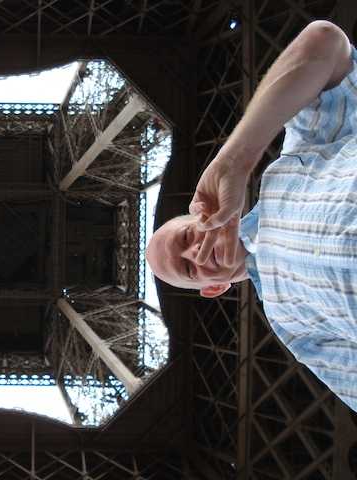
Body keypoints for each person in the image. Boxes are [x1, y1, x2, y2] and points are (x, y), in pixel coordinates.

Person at [146, 19, 357, 412]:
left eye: (186, 238)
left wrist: (234, 160)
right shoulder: (292, 327)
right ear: (213, 289)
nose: (195, 254)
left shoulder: (289, 164)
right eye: (188, 270)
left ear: (201, 213)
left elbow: (324, 43)